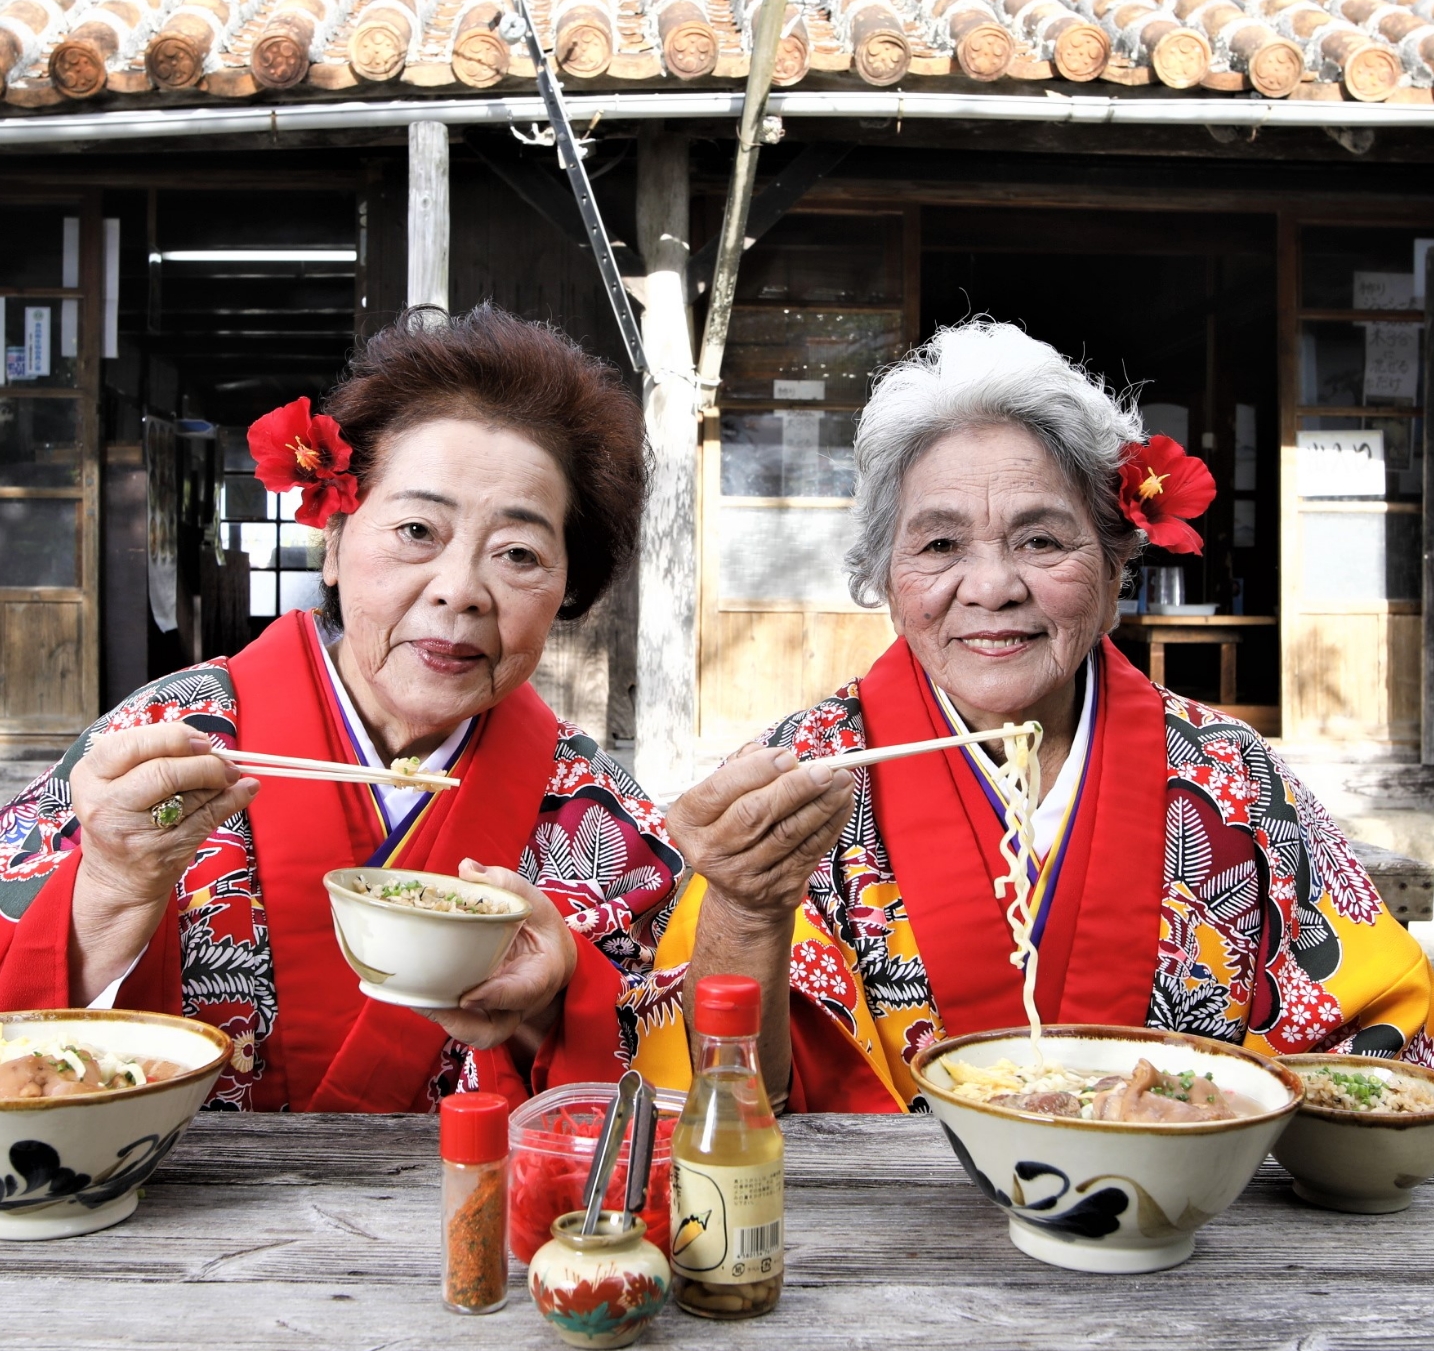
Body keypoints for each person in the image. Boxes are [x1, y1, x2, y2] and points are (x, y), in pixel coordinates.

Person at [632, 320, 1434, 1112]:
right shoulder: (802, 779)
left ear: (1116, 564)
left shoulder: (1230, 773)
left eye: (1042, 540)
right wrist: (744, 909)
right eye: (940, 546)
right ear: (884, 574)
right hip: (881, 1226)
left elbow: (1382, 1033)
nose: (991, 587)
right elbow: (718, 1098)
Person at [0, 306, 680, 1113]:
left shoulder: (598, 811)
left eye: (519, 554)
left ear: (569, 587)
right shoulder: (163, 744)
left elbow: (689, 1073)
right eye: (417, 530)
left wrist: (553, 1000)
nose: (460, 590)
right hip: (179, 1227)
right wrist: (109, 889)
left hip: (475, 1223)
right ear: (333, 541)